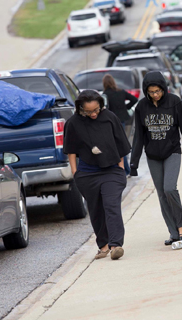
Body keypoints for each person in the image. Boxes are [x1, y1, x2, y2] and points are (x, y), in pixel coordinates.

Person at [130, 71, 182, 246]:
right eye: (151, 92)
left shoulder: (174, 102)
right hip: (153, 155)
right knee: (161, 195)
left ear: (164, 88)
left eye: (158, 91)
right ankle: (173, 232)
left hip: (172, 151)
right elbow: (139, 136)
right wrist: (134, 162)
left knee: (169, 188)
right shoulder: (142, 107)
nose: (155, 95)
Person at [63, 90, 131, 260]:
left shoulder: (109, 117)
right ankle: (104, 245)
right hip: (87, 174)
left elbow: (121, 142)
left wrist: (121, 166)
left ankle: (116, 245)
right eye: (89, 111)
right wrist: (75, 172)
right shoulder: (73, 123)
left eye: (96, 110)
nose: (93, 114)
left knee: (111, 206)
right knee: (96, 210)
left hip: (112, 171)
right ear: (80, 109)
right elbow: (70, 150)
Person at [102, 74, 138, 176]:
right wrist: (125, 107)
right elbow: (134, 99)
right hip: (124, 120)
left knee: (120, 146)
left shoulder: (106, 94)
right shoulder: (121, 92)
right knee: (123, 144)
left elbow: (105, 109)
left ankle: (126, 170)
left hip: (113, 122)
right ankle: (127, 169)